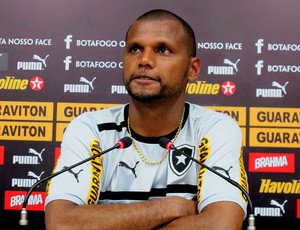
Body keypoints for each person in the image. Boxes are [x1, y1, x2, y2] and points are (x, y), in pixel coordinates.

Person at [45, 9, 248, 230]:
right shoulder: (90, 128)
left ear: (193, 68)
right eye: (135, 49)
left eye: (163, 50)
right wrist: (172, 207)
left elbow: (220, 226)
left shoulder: (214, 129)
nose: (144, 60)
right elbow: (62, 224)